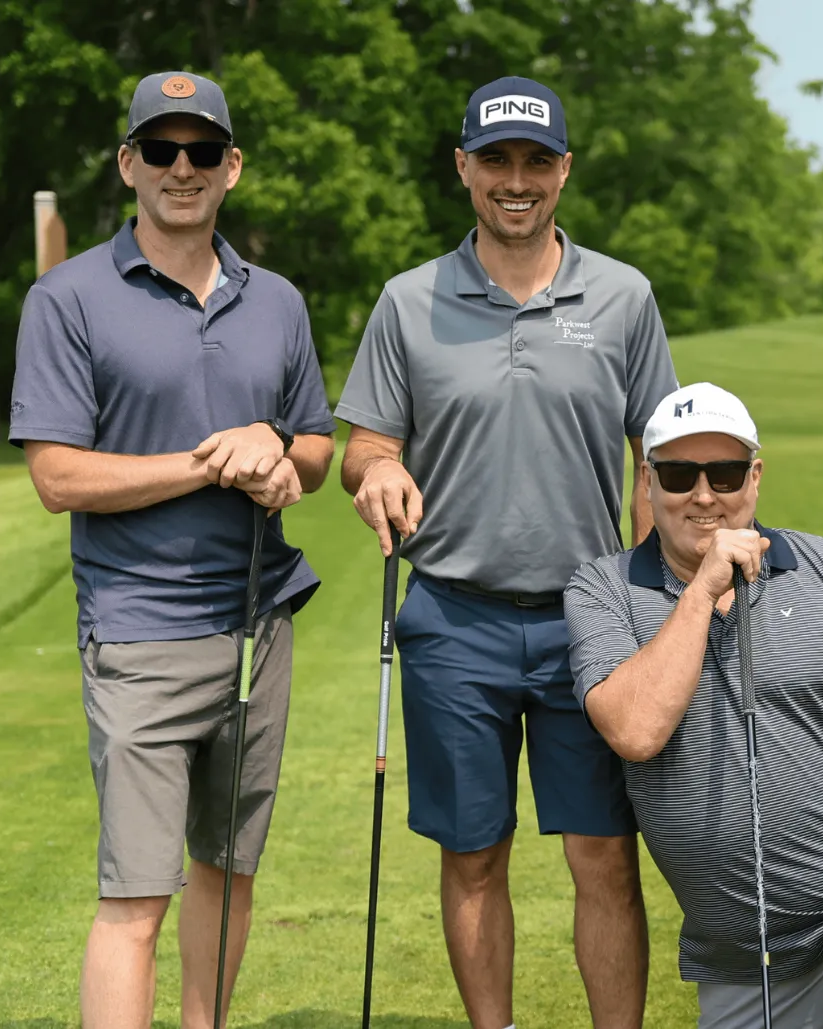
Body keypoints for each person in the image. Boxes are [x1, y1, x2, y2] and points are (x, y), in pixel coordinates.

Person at [335, 75, 677, 1029]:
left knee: (603, 852)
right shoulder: (409, 302)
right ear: (464, 168)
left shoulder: (622, 296)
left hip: (590, 616)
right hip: (452, 616)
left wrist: (653, 603)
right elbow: (366, 442)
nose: (514, 181)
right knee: (473, 852)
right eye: (496, 161)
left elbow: (661, 454)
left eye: (535, 161)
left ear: (563, 169)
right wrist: (377, 473)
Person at [8, 71, 336, 1028]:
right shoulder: (67, 299)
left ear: (232, 167)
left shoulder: (276, 300)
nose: (180, 169)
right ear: (128, 165)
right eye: (160, 149)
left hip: (257, 628)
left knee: (229, 875)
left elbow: (315, 447)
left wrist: (277, 448)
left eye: (201, 152)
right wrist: (213, 462)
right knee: (135, 899)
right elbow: (57, 477)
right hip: (140, 634)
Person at [564, 382, 823, 1029]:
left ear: (755, 476)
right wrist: (702, 589)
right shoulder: (603, 589)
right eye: (679, 474)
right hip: (748, 949)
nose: (704, 494)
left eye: (726, 472)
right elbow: (634, 728)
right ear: (647, 480)